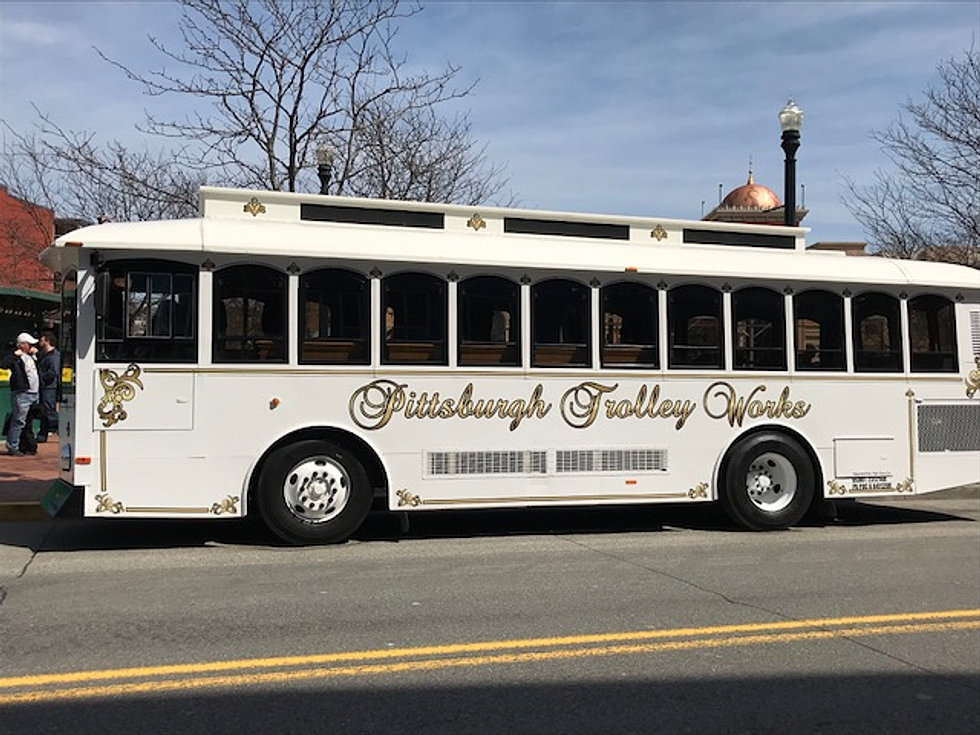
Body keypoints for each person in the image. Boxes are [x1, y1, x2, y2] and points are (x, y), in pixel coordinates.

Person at [2, 332, 40, 456]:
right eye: (29, 344)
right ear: (22, 345)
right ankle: (13, 445)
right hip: (23, 393)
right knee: (19, 421)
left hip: (34, 392)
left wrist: (36, 354)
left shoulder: (31, 356)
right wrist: (14, 355)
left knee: (28, 421)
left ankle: (26, 445)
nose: (31, 346)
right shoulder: (16, 357)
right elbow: (3, 364)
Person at [36, 331, 61, 442]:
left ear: (47, 341)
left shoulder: (54, 355)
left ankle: (61, 425)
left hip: (49, 387)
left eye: (42, 340)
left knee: (48, 410)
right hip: (44, 386)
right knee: (43, 411)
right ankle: (42, 434)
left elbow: (53, 372)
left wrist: (41, 377)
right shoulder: (43, 354)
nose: (40, 342)